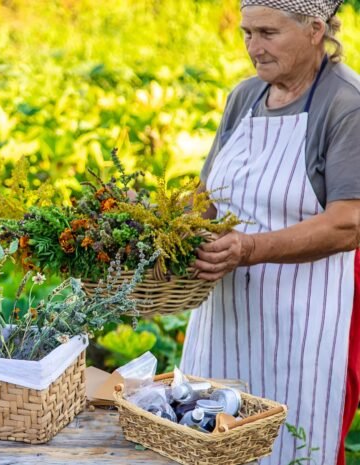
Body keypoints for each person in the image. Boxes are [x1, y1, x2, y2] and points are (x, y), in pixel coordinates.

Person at [180, 1, 360, 464]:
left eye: (267, 33)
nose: (253, 48)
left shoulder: (346, 105)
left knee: (293, 444)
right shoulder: (245, 97)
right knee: (210, 438)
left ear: (315, 29)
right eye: (246, 33)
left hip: (310, 319)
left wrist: (250, 247)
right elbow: (208, 198)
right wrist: (156, 227)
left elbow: (348, 223)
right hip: (223, 316)